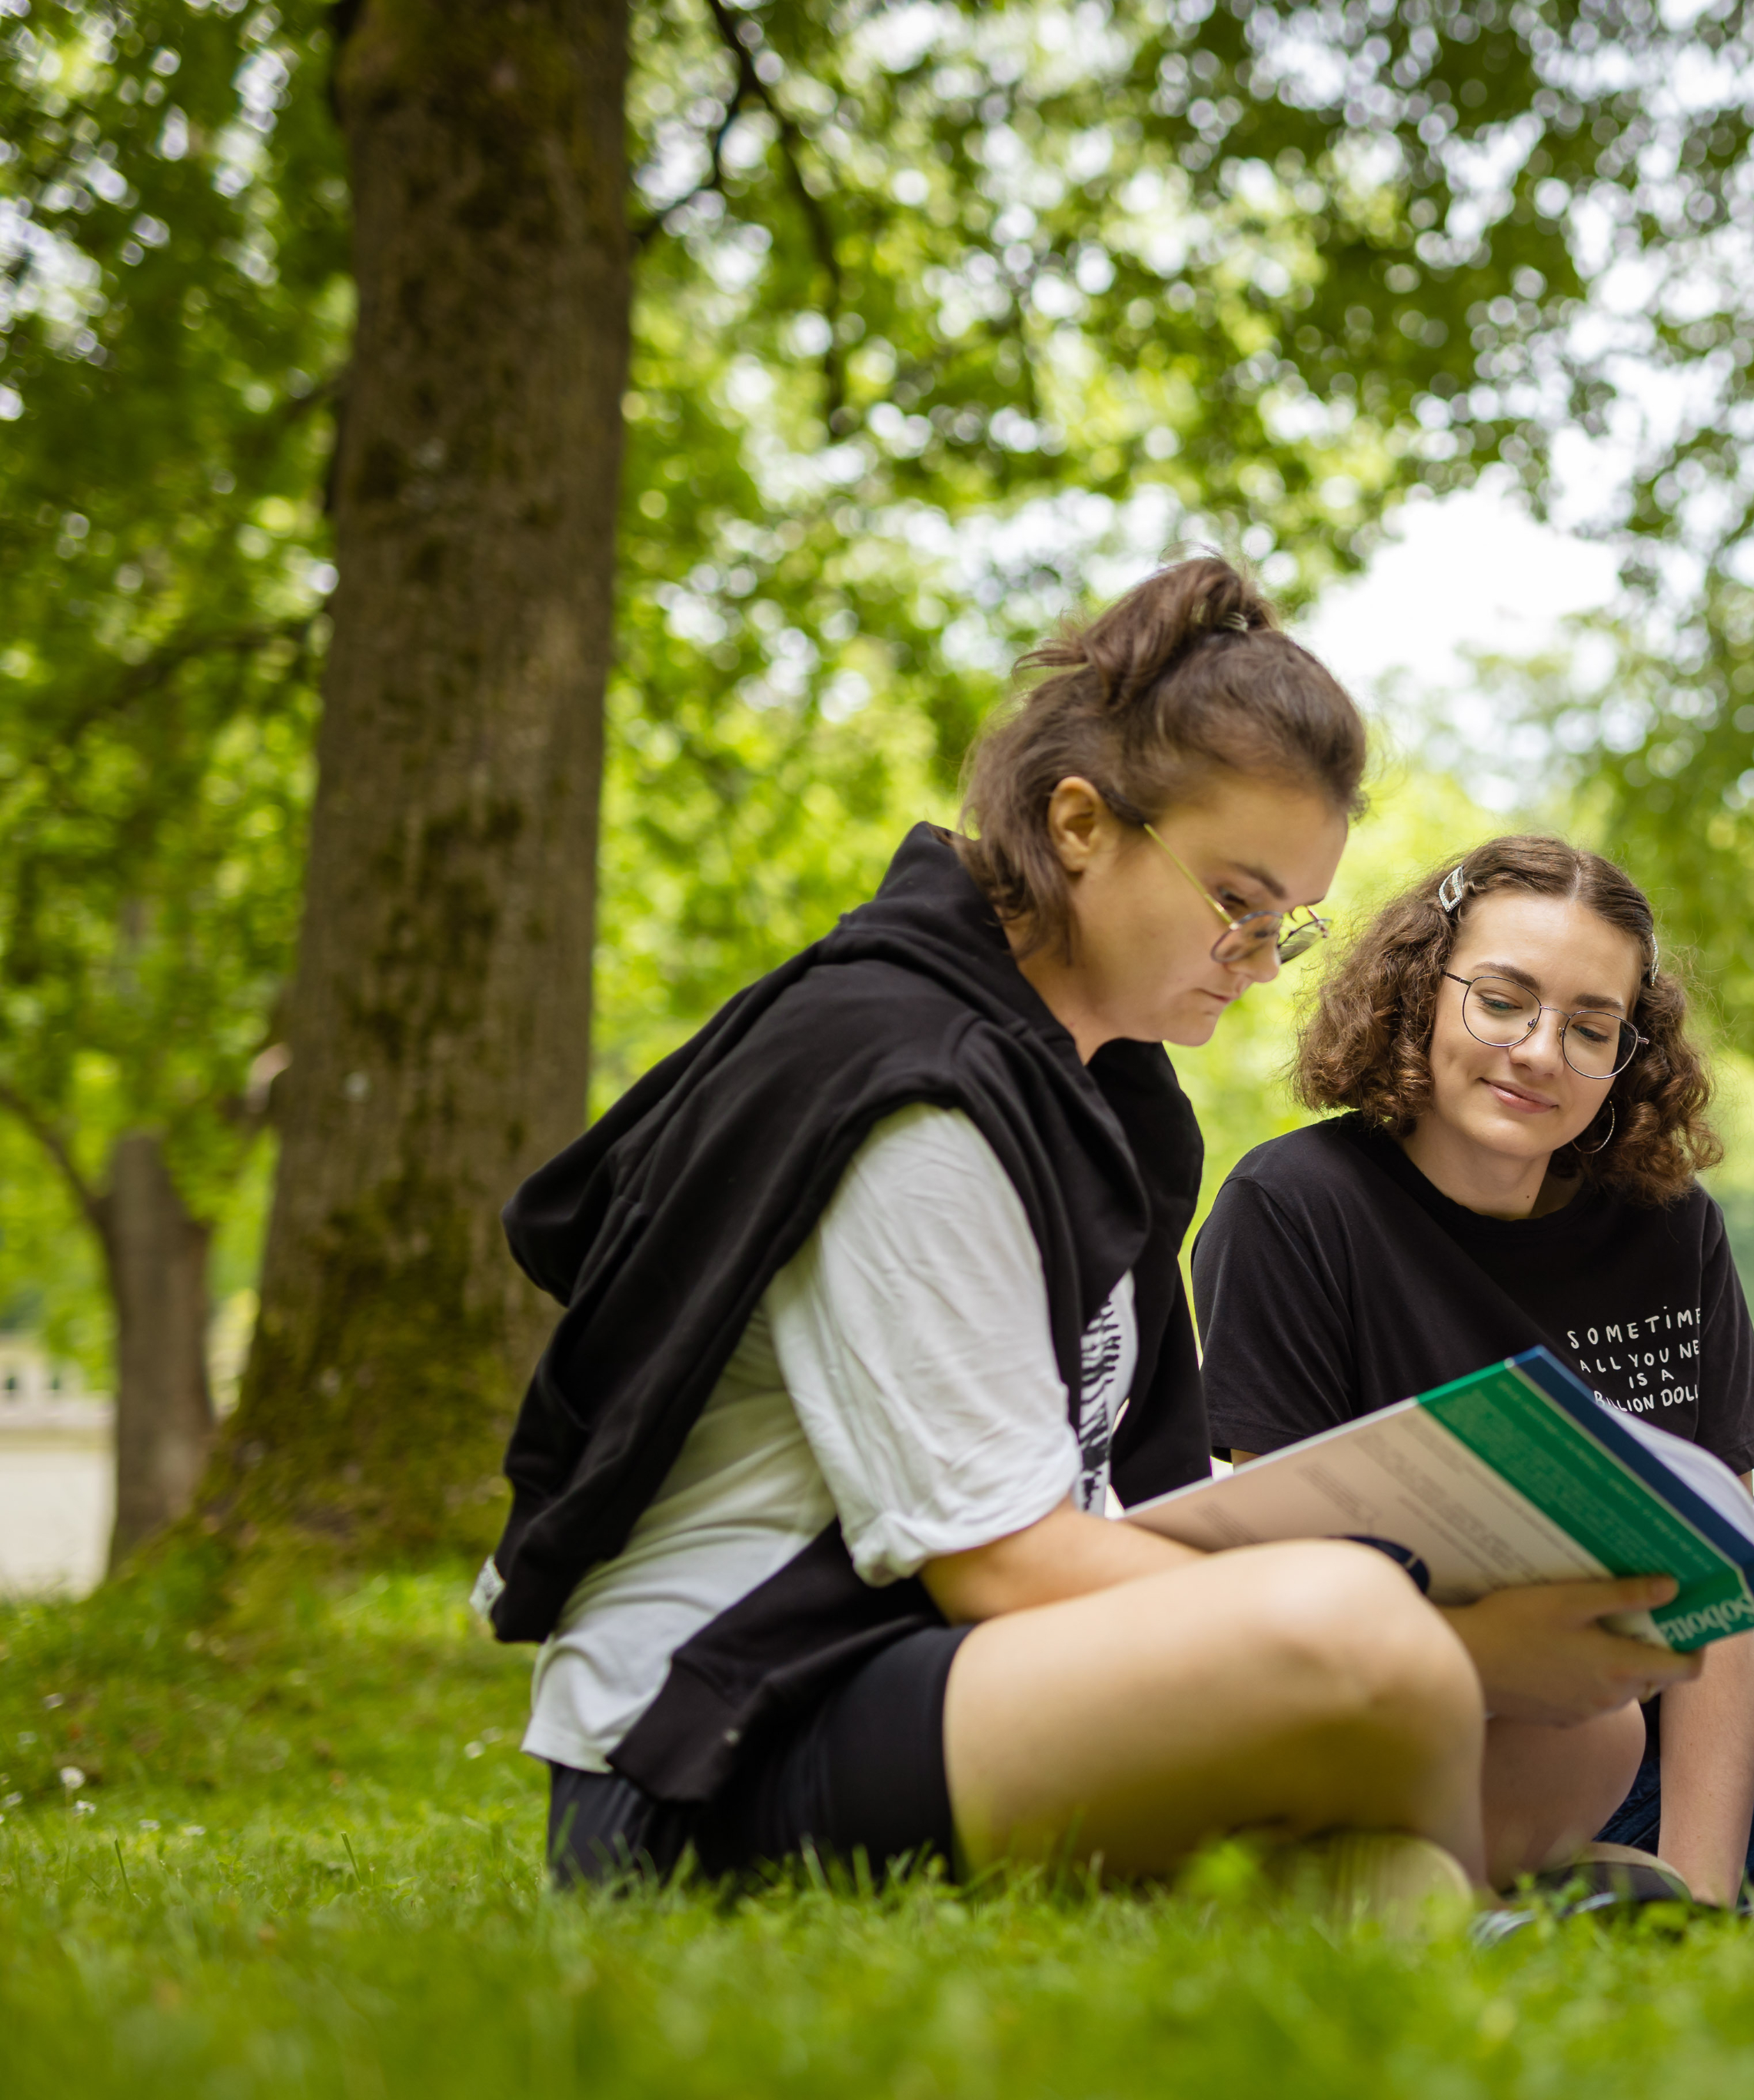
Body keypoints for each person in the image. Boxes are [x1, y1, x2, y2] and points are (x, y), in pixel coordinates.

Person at [481, 557, 1504, 1902]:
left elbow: (1111, 1496)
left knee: (1547, 1717)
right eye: (1234, 903)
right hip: (723, 1746)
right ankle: (1463, 1933)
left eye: (1287, 927)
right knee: (1361, 1635)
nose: (1256, 962)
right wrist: (1419, 1620)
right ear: (1080, 823)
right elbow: (1005, 1563)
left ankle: (1396, 1907)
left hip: (940, 1678)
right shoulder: (918, 1088)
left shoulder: (1096, 1091)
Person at [1193, 837, 1754, 1904]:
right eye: (1502, 1002)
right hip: (1532, 1739)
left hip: (1745, 1694)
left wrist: (1702, 1898)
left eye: (1592, 1028)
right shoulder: (1295, 1208)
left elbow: (1719, 1568)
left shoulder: (1669, 1226)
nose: (1540, 1051)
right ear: (1421, 994)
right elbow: (1291, 1591)